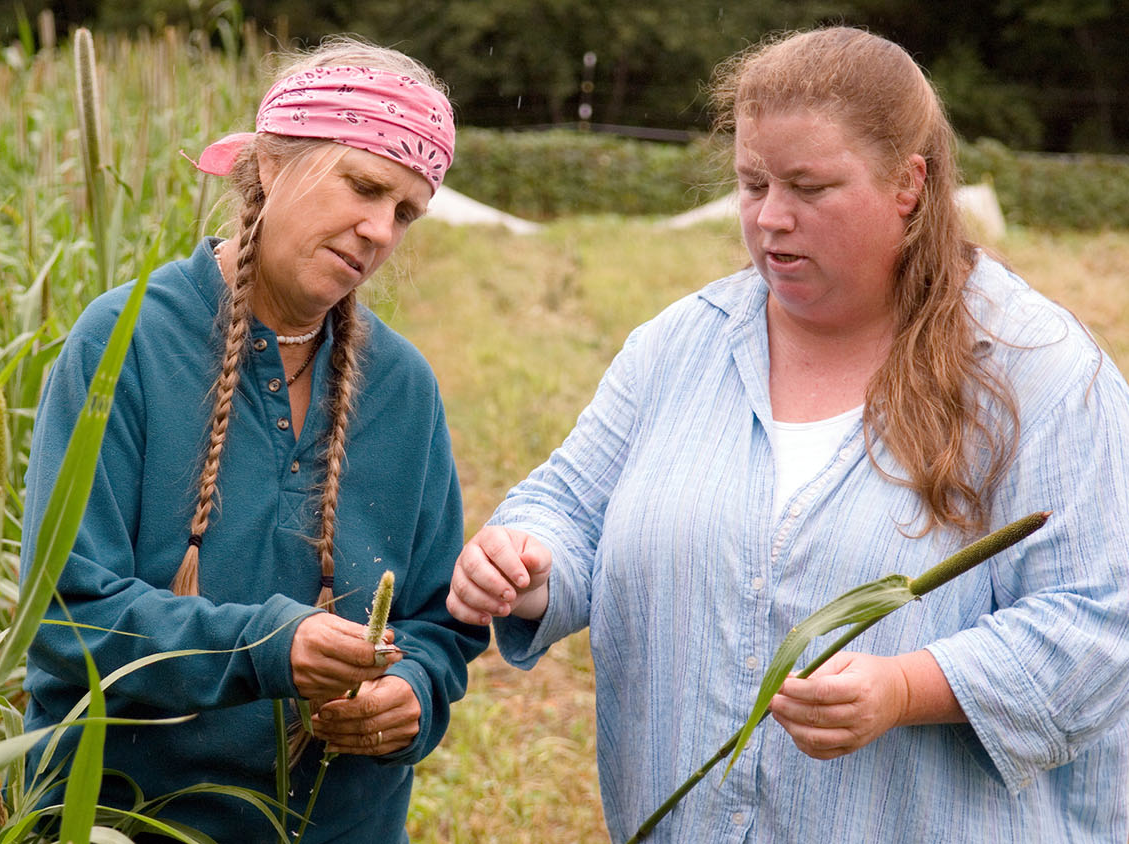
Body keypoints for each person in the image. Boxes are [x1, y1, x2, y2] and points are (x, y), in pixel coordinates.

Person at [448, 26, 1129, 843]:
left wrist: (907, 688)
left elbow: (1100, 623)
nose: (771, 218)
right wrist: (526, 561)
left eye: (809, 186)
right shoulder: (681, 345)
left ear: (909, 184)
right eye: (752, 182)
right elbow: (570, 507)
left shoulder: (1037, 372)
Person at [19, 39, 487, 843]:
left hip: (338, 825)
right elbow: (66, 611)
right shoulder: (124, 343)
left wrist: (409, 694)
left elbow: (437, 624)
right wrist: (269, 647)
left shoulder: (403, 389)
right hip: (128, 819)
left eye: (406, 211)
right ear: (271, 164)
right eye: (366, 186)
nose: (379, 229)